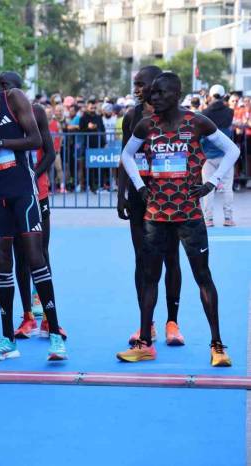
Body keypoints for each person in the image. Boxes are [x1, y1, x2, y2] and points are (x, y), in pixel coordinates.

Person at [119, 72, 238, 366]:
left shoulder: (197, 122)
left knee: (203, 276)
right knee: (149, 277)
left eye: (160, 93)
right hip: (156, 214)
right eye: (152, 93)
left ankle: (217, 346)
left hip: (189, 214)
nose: (153, 97)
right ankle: (145, 343)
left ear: (176, 95)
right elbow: (126, 155)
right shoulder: (146, 125)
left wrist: (213, 183)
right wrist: (140, 186)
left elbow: (232, 150)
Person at [0, 69, 67, 362]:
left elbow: (34, 141)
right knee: (3, 262)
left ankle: (55, 333)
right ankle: (7, 339)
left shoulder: (14, 98)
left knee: (35, 258)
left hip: (23, 192)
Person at [0, 71, 61, 340]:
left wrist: (32, 175)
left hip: (36, 194)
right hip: (10, 195)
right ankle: (27, 316)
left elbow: (50, 151)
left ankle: (49, 318)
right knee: (19, 256)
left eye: (5, 85)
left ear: (19, 90)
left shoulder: (36, 112)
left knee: (40, 254)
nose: (1, 90)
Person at [117, 66, 184, 347]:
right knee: (142, 260)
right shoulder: (132, 117)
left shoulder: (174, 119)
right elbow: (124, 156)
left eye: (141, 84)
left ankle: (173, 322)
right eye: (135, 84)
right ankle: (148, 324)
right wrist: (120, 194)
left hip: (167, 197)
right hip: (138, 197)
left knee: (171, 258)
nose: (137, 89)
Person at [201, 84, 235, 227]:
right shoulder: (229, 112)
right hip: (225, 154)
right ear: (223, 95)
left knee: (208, 187)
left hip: (208, 154)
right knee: (227, 187)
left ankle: (208, 219)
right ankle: (228, 218)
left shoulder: (205, 112)